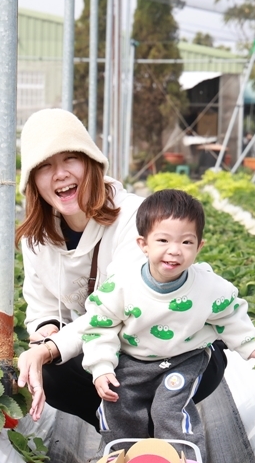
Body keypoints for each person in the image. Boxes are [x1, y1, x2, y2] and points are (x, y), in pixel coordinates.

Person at [13, 109, 229, 436]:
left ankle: (163, 436)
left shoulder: (135, 218)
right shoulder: (36, 238)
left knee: (66, 356)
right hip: (113, 359)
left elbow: (122, 305)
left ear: (91, 163)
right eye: (44, 166)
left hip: (170, 350)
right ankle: (120, 434)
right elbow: (42, 306)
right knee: (51, 373)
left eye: (70, 159)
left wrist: (53, 347)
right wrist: (45, 337)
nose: (58, 174)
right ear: (32, 181)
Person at [81, 189, 255, 463]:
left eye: (186, 242)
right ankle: (121, 461)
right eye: (163, 240)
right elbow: (100, 326)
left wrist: (250, 346)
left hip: (183, 359)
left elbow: (230, 316)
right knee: (119, 404)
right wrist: (101, 367)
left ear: (199, 247)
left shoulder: (208, 286)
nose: (174, 251)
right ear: (143, 244)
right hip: (132, 359)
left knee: (168, 410)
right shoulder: (121, 285)